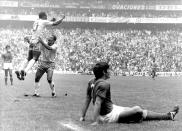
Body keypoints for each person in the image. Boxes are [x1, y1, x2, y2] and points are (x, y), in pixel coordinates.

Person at [80, 62, 179, 125]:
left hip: (112, 108)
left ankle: (169, 116)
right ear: (104, 72)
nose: (110, 71)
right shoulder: (104, 84)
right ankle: (139, 118)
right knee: (138, 110)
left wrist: (82, 116)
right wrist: (96, 121)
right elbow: (97, 102)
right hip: (109, 115)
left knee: (137, 110)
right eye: (108, 70)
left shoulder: (91, 81)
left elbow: (87, 99)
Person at [15, 12, 65, 80]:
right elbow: (55, 23)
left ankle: (19, 69)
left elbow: (44, 23)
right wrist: (62, 19)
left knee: (28, 57)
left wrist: (51, 20)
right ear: (44, 16)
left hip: (32, 40)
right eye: (46, 16)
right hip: (37, 41)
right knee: (35, 58)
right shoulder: (44, 21)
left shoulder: (36, 21)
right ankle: (25, 71)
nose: (47, 17)